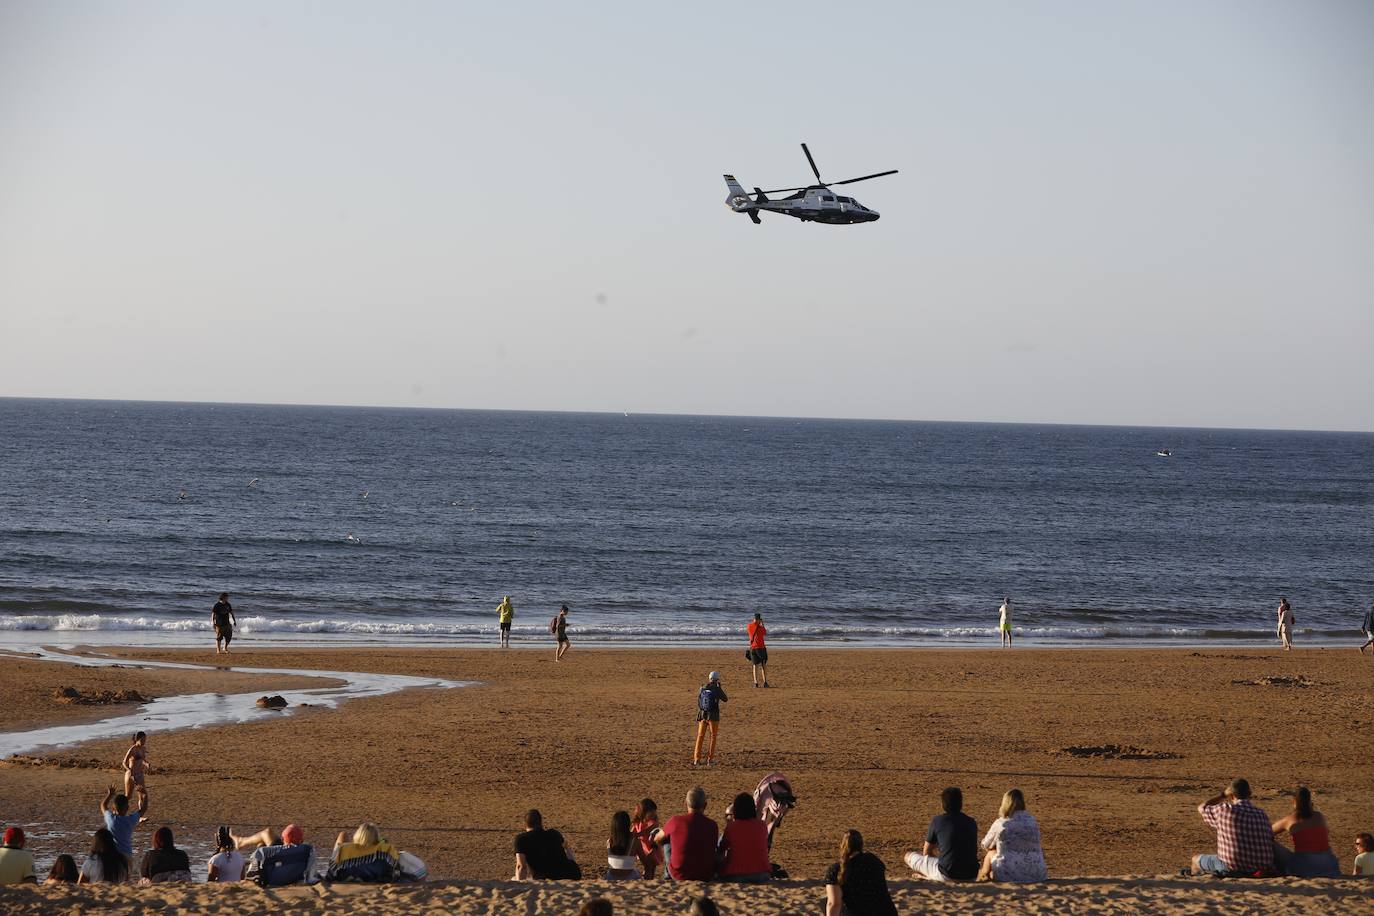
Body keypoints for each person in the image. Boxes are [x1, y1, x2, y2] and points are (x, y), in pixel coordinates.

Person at [1189, 778, 1274, 877]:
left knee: (1195, 860)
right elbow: (1270, 838)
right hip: (1260, 867)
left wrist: (1223, 795)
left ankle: (1197, 881)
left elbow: (1202, 807)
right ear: (1249, 793)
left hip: (1232, 866)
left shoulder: (1225, 810)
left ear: (1231, 795)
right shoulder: (1261, 814)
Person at [905, 786, 979, 882]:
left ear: (942, 804)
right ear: (961, 804)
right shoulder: (971, 822)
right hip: (972, 876)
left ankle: (929, 877)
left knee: (908, 856)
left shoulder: (938, 821)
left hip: (947, 874)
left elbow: (926, 852)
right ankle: (932, 876)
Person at [977, 789, 1047, 882]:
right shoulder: (1032, 821)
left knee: (990, 853)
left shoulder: (1001, 823)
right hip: (1037, 872)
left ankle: (984, 876)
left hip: (1009, 874)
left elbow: (985, 844)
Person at [824, 829, 897, 916]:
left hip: (858, 912)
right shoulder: (874, 861)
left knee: (826, 902)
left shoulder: (836, 869)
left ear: (842, 845)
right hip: (886, 911)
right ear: (861, 845)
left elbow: (834, 904)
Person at [1270, 786, 1340, 877]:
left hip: (1304, 867)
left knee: (1271, 843)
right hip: (1329, 865)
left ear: (1294, 802)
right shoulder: (1319, 816)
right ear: (1310, 801)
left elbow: (1268, 831)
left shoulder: (1290, 820)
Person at [653, 786, 719, 881]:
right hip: (705, 875)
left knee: (667, 841)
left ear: (685, 804)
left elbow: (657, 839)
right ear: (705, 805)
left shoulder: (675, 821)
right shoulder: (713, 825)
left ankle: (667, 875)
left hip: (679, 874)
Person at [718, 792, 772, 883]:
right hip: (762, 875)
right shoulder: (762, 826)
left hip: (736, 876)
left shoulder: (732, 827)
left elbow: (722, 849)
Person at [239, 824, 317, 886]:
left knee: (266, 835)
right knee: (264, 840)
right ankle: (241, 842)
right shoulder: (307, 851)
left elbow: (258, 855)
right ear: (301, 840)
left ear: (283, 840)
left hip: (269, 876)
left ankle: (241, 842)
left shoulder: (272, 851)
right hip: (282, 869)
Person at [514, 809, 581, 879]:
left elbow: (521, 866)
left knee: (514, 879)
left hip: (546, 878)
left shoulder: (521, 839)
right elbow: (568, 851)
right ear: (541, 822)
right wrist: (573, 865)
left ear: (525, 824)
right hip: (572, 874)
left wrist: (519, 885)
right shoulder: (554, 833)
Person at [327, 823, 400, 883]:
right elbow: (394, 870)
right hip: (375, 875)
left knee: (343, 835)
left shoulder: (345, 850)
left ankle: (354, 877)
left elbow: (333, 869)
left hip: (348, 874)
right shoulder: (384, 851)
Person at [99, 784, 148, 861]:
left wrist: (110, 795)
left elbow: (103, 805)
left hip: (113, 855)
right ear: (127, 808)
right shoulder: (130, 820)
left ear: (113, 808)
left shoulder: (111, 819)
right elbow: (143, 809)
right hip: (127, 855)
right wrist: (145, 795)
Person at [693, 672, 728, 767]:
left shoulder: (702, 687)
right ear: (717, 680)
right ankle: (710, 760)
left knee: (700, 737)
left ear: (709, 679)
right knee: (713, 737)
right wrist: (719, 688)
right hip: (713, 716)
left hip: (702, 715)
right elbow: (725, 699)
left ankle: (697, 759)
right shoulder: (716, 689)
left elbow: (699, 701)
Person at [631, 798, 664, 879]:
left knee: (651, 867)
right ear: (644, 812)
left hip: (653, 848)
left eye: (654, 811)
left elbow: (647, 831)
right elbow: (632, 832)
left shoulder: (654, 822)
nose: (654, 814)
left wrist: (636, 835)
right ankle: (647, 879)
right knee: (648, 866)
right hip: (644, 849)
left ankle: (648, 879)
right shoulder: (638, 822)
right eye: (651, 812)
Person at [605, 810, 641, 880]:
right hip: (629, 877)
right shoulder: (634, 841)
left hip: (610, 877)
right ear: (627, 825)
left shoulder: (609, 841)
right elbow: (645, 861)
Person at [122, 731, 148, 801]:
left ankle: (141, 811)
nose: (144, 742)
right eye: (142, 740)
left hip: (140, 774)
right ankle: (119, 809)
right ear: (137, 739)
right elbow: (124, 762)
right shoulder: (132, 750)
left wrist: (147, 764)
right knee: (128, 796)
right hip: (131, 775)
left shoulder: (143, 748)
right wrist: (129, 770)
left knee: (142, 795)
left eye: (145, 740)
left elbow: (142, 759)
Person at [747, 612, 770, 687]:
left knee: (755, 666)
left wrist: (758, 623)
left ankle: (755, 682)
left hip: (753, 648)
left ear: (754, 619)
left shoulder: (749, 626)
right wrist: (762, 624)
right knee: (763, 665)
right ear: (758, 620)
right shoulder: (761, 628)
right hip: (761, 648)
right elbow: (764, 632)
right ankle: (765, 682)